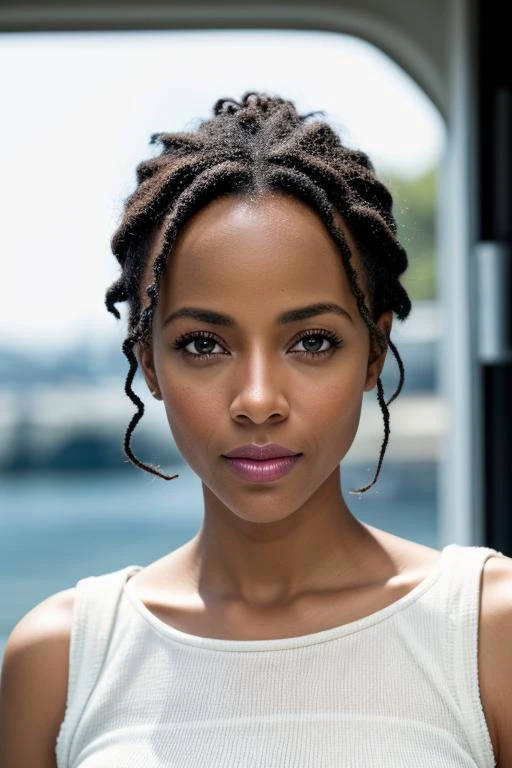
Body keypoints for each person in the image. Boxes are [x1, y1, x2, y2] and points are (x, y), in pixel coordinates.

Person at [1, 91, 512, 768]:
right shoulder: (60, 660)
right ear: (148, 361)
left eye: (313, 342)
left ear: (374, 354)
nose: (259, 400)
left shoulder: (487, 633)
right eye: (204, 345)